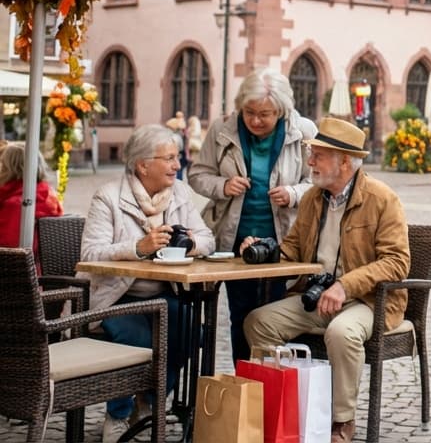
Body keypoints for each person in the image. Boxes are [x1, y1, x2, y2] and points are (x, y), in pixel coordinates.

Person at [243, 116, 409, 443]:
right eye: (312, 153)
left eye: (318, 155)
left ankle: (341, 421)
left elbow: (397, 262)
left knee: (342, 332)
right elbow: (292, 250)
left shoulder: (381, 198)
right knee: (258, 322)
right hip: (317, 295)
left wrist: (346, 285)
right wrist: (262, 249)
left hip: (369, 301)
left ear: (345, 161)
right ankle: (281, 408)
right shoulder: (312, 199)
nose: (310, 161)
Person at [78, 124, 214, 443]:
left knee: (190, 327)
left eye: (177, 157)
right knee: (137, 338)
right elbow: (90, 253)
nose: (177, 165)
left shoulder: (178, 193)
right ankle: (119, 412)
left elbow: (208, 236)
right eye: (169, 158)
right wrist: (140, 247)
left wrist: (191, 243)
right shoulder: (108, 197)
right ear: (143, 164)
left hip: (165, 293)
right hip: (116, 296)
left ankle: (150, 402)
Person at [188, 68, 315, 363]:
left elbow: (320, 183)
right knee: (241, 314)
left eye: (265, 114)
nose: (256, 120)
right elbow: (197, 174)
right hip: (234, 240)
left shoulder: (304, 132)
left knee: (275, 313)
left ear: (282, 110)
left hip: (284, 241)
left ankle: (274, 382)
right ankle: (245, 382)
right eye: (249, 112)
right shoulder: (222, 129)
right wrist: (222, 185)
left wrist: (294, 194)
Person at [0, 141, 64, 258]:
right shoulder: (47, 195)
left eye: (2, 165)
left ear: (11, 170)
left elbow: (7, 247)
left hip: (16, 271)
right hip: (42, 268)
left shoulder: (17, 204)